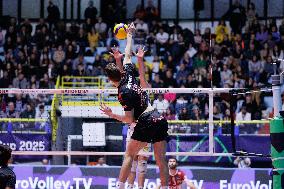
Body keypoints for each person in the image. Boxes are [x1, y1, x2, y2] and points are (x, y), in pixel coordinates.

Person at [100, 23, 169, 189]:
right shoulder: (129, 74)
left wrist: (111, 114)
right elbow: (128, 55)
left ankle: (120, 187)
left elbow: (129, 119)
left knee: (129, 156)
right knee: (161, 159)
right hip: (158, 116)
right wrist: (129, 34)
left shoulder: (123, 93)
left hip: (144, 120)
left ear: (110, 80)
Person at [110, 45, 151, 189]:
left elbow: (141, 74)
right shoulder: (130, 85)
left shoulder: (142, 87)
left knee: (141, 161)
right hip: (134, 126)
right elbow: (122, 75)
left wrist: (139, 59)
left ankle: (136, 187)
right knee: (132, 160)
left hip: (144, 124)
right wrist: (120, 59)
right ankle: (129, 187)